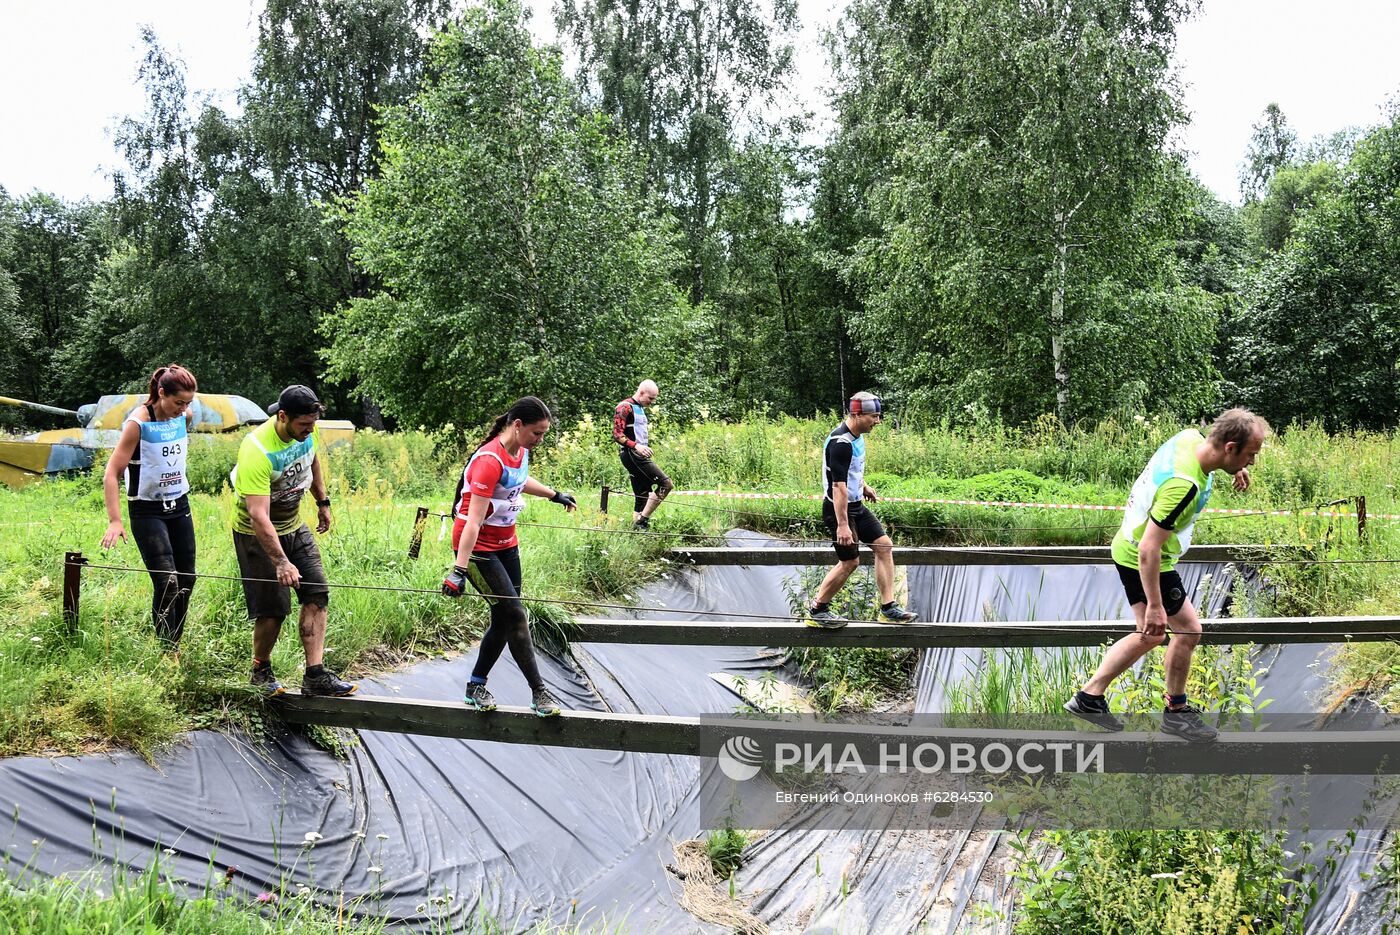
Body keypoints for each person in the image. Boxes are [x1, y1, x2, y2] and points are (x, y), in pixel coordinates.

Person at [1064, 408, 1268, 743]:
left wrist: (1236, 470)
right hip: (1144, 558)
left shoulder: (1189, 439)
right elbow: (1149, 549)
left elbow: (1203, 466)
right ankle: (1167, 712)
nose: (1252, 463)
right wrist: (1157, 605)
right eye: (1250, 456)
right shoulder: (1183, 487)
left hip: (1126, 545)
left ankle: (1093, 697)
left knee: (1154, 635)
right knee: (1182, 630)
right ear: (1230, 447)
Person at [441, 396, 578, 717]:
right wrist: (459, 570)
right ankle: (540, 692)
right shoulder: (488, 460)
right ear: (517, 426)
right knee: (516, 615)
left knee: (504, 618)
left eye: (543, 433)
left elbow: (518, 481)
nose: (540, 440)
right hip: (476, 548)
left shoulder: (521, 451)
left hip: (506, 544)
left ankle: (475, 685)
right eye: (537, 433)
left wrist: (554, 495)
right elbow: (472, 520)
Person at [231, 385, 355, 698]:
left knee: (317, 593)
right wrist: (281, 561)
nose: (309, 431)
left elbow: (312, 460)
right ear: (283, 416)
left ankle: (315, 674)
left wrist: (323, 501)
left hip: (294, 525)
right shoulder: (256, 450)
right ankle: (260, 670)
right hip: (256, 533)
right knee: (273, 609)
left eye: (313, 425)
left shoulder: (306, 433)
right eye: (303, 425)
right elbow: (259, 516)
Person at [100, 364, 199, 647]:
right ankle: (167, 649)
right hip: (147, 510)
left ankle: (175, 641)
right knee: (168, 582)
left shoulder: (184, 416)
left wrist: (183, 410)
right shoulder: (137, 424)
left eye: (188, 403)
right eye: (178, 402)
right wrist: (115, 521)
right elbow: (111, 473)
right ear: (161, 392)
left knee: (187, 580)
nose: (183, 409)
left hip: (179, 505)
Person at [806, 392, 919, 628]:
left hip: (856, 505)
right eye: (874, 416)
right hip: (839, 510)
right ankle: (818, 609)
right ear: (856, 414)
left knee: (884, 546)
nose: (878, 421)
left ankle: (888, 608)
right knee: (850, 563)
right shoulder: (841, 444)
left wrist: (863, 486)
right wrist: (843, 525)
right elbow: (837, 487)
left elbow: (848, 473)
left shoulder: (856, 435)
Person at [613, 379, 673, 529]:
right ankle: (643, 520)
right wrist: (637, 446)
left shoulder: (639, 408)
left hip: (639, 454)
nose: (652, 402)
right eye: (650, 398)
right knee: (666, 484)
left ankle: (637, 530)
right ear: (641, 393)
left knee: (642, 493)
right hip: (631, 454)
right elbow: (617, 434)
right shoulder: (625, 407)